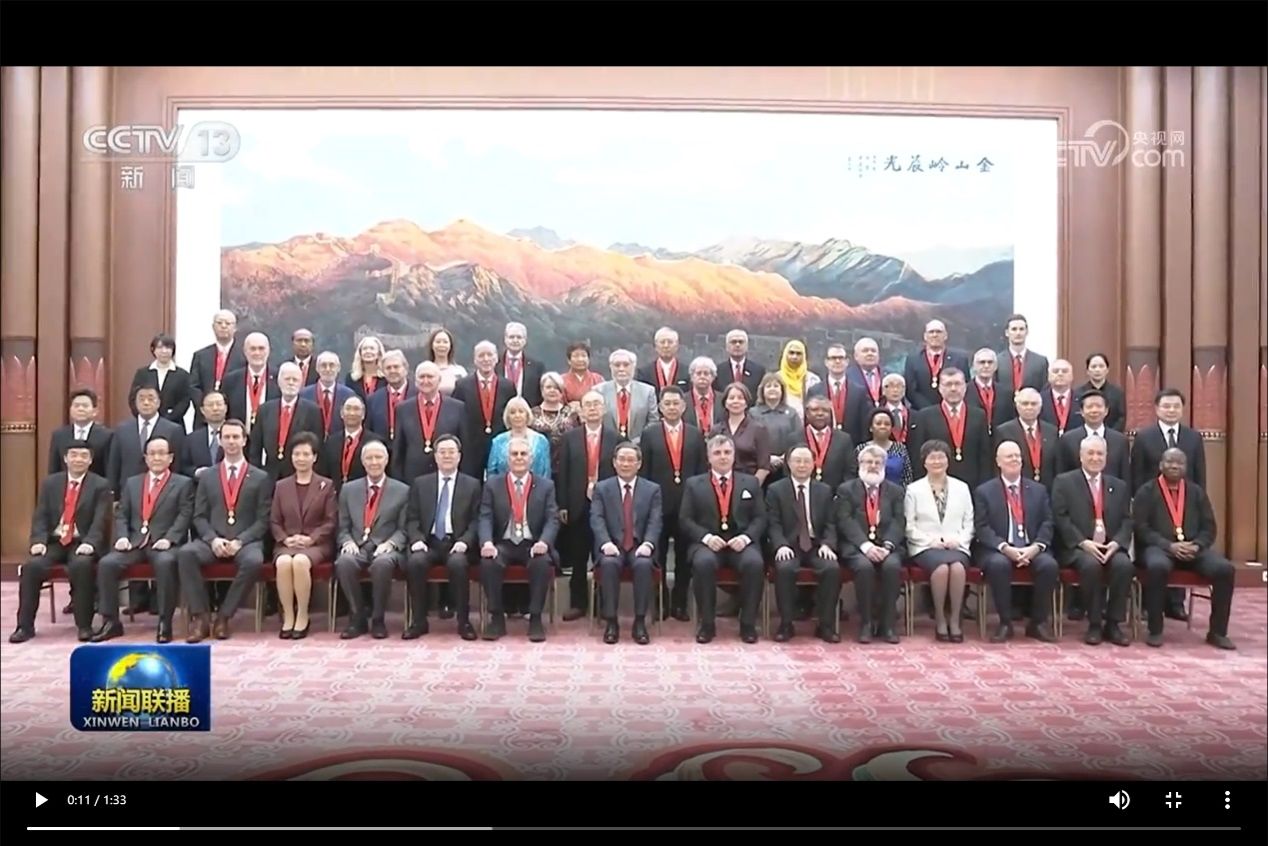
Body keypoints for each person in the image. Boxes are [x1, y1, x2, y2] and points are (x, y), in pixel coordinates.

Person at [178, 419, 275, 642]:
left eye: (236, 437)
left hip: (245, 541)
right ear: (220, 441)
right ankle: (201, 617)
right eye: (227, 437)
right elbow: (199, 515)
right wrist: (212, 539)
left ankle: (224, 616)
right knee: (186, 554)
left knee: (254, 561)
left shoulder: (260, 477)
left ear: (244, 440)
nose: (231, 442)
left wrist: (241, 541)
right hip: (212, 541)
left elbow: (263, 519)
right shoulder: (208, 476)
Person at [1132, 448, 1236, 649]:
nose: (1174, 466)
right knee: (1157, 567)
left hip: (1193, 549)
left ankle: (1217, 632)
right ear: (1161, 465)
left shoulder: (1196, 492)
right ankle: (1155, 630)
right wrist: (1169, 546)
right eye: (1170, 461)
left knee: (1225, 569)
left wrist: (1197, 545)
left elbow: (1209, 527)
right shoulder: (1146, 492)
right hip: (1159, 548)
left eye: (1179, 463)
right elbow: (1141, 528)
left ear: (1186, 467)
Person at [93, 436, 193, 644]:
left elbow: (185, 515)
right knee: (107, 564)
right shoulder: (133, 483)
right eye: (152, 453)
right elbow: (122, 513)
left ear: (170, 458)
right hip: (135, 542)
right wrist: (122, 537)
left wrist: (170, 539)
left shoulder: (183, 483)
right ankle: (111, 622)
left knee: (165, 563)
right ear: (146, 458)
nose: (156, 458)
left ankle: (165, 622)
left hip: (165, 543)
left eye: (161, 453)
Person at [10, 441, 111, 643]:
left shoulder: (100, 485)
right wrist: (38, 541)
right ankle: (24, 626)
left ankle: (84, 626)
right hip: (55, 542)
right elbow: (41, 516)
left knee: (82, 565)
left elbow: (101, 520)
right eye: (73, 455)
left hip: (82, 541)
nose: (78, 459)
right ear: (65, 458)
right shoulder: (51, 483)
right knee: (31, 567)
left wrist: (91, 543)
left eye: (83, 456)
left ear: (90, 460)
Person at [679, 434, 766, 644]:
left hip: (741, 542)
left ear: (734, 456)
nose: (723, 457)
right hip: (707, 543)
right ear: (709, 457)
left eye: (727, 452)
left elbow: (761, 518)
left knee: (754, 563)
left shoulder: (751, 483)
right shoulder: (694, 484)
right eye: (717, 453)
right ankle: (707, 624)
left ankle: (747, 624)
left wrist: (746, 538)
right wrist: (706, 537)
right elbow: (685, 519)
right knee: (703, 563)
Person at [1129, 388, 1207, 621]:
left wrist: (1198, 503)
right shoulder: (1144, 437)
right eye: (1166, 406)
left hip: (1185, 506)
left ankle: (1176, 604)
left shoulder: (1193, 438)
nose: (1171, 410)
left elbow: (1199, 474)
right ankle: (1148, 604)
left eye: (1176, 406)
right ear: (1157, 409)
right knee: (1156, 554)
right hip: (1153, 506)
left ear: (1182, 409)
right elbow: (1136, 473)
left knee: (1182, 548)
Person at [972, 441, 1059, 643]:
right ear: (998, 462)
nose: (1014, 460)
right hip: (998, 549)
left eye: (1017, 456)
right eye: (1009, 456)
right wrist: (1005, 547)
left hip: (1032, 547)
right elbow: (982, 527)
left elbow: (1048, 522)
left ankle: (1038, 623)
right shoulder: (984, 491)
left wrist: (1036, 547)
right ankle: (1005, 623)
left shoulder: (1038, 490)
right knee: (998, 565)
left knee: (1048, 565)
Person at [1051, 435, 1134, 646]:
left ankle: (1113, 623)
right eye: (1090, 453)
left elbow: (1127, 519)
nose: (1095, 458)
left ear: (1106, 457)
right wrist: (1083, 542)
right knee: (1091, 566)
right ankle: (1095, 623)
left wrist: (1117, 543)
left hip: (1110, 546)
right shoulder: (1064, 482)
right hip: (1078, 547)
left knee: (1124, 566)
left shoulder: (1119, 486)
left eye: (1100, 454)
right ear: (1081, 456)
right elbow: (1060, 518)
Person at [478, 436, 561, 642]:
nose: (519, 458)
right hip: (503, 543)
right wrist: (487, 542)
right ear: (507, 459)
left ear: (531, 459)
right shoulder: (493, 485)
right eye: (514, 454)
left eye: (523, 454)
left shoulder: (546, 486)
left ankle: (535, 618)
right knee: (488, 563)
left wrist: (544, 542)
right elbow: (485, 516)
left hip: (533, 544)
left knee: (541, 563)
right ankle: (497, 618)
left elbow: (552, 519)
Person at [403, 434, 482, 641]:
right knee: (416, 562)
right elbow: (412, 518)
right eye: (442, 452)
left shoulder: (472, 485)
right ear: (436, 457)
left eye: (451, 452)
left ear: (459, 456)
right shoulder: (421, 484)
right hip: (428, 542)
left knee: (458, 564)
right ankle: (419, 621)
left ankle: (463, 621)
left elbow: (476, 520)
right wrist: (417, 539)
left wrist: (465, 541)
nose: (447, 456)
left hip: (457, 542)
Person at [638, 386, 707, 619]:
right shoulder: (650, 434)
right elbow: (644, 472)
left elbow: (701, 472)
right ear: (660, 407)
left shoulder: (695, 434)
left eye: (676, 403)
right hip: (658, 505)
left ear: (684, 406)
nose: (671, 407)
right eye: (667, 404)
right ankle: (660, 603)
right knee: (657, 556)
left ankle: (680, 603)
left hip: (687, 506)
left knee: (683, 557)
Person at [333, 440, 409, 639]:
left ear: (386, 460)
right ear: (363, 462)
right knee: (344, 562)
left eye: (378, 457)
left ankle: (378, 619)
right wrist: (347, 541)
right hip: (357, 545)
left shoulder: (402, 490)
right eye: (369, 458)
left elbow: (404, 529)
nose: (374, 462)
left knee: (382, 564)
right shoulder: (348, 489)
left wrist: (391, 543)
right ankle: (357, 617)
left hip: (386, 546)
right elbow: (342, 525)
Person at [765, 445, 840, 643]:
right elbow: (773, 523)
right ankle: (786, 624)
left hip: (816, 545)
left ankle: (825, 625)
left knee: (831, 568)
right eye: (797, 461)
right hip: (789, 545)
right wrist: (780, 545)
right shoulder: (776, 490)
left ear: (814, 464)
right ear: (789, 463)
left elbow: (831, 523)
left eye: (806, 461)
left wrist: (828, 544)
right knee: (785, 569)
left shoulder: (824, 490)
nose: (802, 465)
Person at [590, 442, 662, 644]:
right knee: (609, 564)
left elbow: (655, 520)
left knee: (644, 565)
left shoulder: (652, 489)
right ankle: (611, 621)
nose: (626, 464)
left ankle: (640, 622)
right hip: (612, 545)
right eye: (621, 459)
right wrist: (605, 543)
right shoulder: (602, 488)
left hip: (640, 546)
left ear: (639, 464)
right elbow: (596, 518)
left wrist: (648, 544)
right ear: (614, 462)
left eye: (631, 460)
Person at [557, 391, 620, 620]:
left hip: (606, 505)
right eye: (588, 405)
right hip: (577, 503)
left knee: (603, 555)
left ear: (604, 409)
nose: (592, 408)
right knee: (578, 556)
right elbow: (563, 472)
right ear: (581, 411)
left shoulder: (616, 438)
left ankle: (603, 605)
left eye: (596, 404)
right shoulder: (570, 438)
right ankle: (578, 603)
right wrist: (563, 504)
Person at [905, 440, 975, 642]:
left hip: (956, 544)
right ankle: (940, 619)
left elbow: (969, 522)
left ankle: (955, 619)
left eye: (941, 457)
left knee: (958, 568)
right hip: (925, 545)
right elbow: (909, 525)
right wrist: (930, 540)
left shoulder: (962, 488)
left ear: (948, 460)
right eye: (932, 458)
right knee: (942, 569)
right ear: (924, 462)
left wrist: (958, 540)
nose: (937, 462)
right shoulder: (914, 490)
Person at [268, 432, 337, 639]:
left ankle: (303, 615)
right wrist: (285, 539)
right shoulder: (281, 486)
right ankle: (288, 615)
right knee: (283, 563)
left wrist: (311, 539)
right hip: (287, 542)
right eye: (297, 454)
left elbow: (330, 521)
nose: (301, 458)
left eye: (306, 454)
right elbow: (274, 520)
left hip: (316, 544)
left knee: (299, 561)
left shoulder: (326, 485)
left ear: (314, 457)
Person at [837, 445, 906, 643]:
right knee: (864, 567)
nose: (873, 466)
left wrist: (888, 546)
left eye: (878, 462)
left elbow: (899, 521)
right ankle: (866, 622)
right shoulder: (846, 490)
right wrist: (866, 546)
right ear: (860, 464)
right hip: (857, 546)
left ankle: (888, 624)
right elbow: (845, 520)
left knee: (892, 566)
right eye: (869, 462)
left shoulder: (895, 491)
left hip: (887, 546)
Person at [908, 367, 992, 490]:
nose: (953, 389)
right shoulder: (925, 416)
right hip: (937, 484)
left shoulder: (979, 415)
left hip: (973, 485)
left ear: (965, 387)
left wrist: (983, 487)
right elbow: (919, 455)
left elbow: (985, 455)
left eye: (957, 384)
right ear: (940, 389)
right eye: (948, 384)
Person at [245, 361, 323, 479]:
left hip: (298, 474)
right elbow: (255, 447)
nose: (291, 383)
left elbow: (316, 446)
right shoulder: (265, 410)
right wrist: (255, 474)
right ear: (279, 382)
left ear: (301, 383)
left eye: (295, 380)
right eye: (287, 379)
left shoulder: (313, 411)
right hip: (269, 474)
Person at [391, 362, 467, 482]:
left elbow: (464, 447)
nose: (425, 381)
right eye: (422, 377)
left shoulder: (457, 407)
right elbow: (398, 449)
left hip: (446, 476)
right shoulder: (403, 409)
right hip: (412, 477)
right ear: (416, 381)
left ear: (439, 380)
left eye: (430, 377)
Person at [452, 340, 517, 478]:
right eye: (481, 355)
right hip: (471, 447)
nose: (486, 359)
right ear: (475, 360)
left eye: (489, 355)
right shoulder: (462, 385)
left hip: (499, 446)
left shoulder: (507, 386)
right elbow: (457, 416)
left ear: (496, 358)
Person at [188, 309, 246, 428]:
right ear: (213, 327)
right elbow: (193, 386)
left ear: (235, 328)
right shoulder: (200, 355)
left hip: (233, 417)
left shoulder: (244, 356)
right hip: (204, 419)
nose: (223, 326)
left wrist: (225, 408)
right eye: (219, 323)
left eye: (228, 323)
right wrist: (206, 407)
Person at [994, 388, 1059, 489]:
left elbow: (1056, 464)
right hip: (1019, 488)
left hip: (1047, 488)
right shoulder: (1004, 431)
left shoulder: (1051, 431)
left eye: (1033, 404)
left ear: (1040, 407)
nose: (1029, 407)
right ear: (1017, 406)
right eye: (1025, 404)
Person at [805, 343, 868, 443]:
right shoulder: (815, 391)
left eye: (841, 358)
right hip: (823, 444)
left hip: (853, 444)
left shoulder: (859, 391)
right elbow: (808, 422)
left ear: (847, 362)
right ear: (826, 362)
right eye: (833, 358)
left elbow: (864, 424)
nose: (837, 361)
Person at [710, 382, 772, 484]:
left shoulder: (758, 429)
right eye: (731, 398)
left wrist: (752, 487)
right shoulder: (716, 430)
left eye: (740, 398)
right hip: (721, 485)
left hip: (749, 483)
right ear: (725, 403)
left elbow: (764, 467)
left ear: (746, 403)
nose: (736, 401)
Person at [904, 319, 971, 410]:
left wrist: (945, 408)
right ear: (925, 336)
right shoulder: (913, 360)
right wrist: (930, 410)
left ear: (945, 336)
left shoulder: (960, 360)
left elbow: (965, 386)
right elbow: (910, 390)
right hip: (921, 412)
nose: (935, 335)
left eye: (938, 332)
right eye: (931, 332)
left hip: (951, 410)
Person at [596, 349, 660, 443]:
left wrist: (639, 441)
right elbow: (595, 420)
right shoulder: (599, 391)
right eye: (617, 365)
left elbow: (653, 421)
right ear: (610, 367)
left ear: (633, 366)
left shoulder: (648, 391)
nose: (621, 369)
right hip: (608, 444)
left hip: (639, 445)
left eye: (626, 365)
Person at [48, 388, 113, 479]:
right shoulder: (59, 435)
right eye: (76, 406)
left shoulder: (107, 436)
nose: (80, 409)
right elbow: (54, 468)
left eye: (85, 406)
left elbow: (109, 469)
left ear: (95, 411)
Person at [128, 332, 192, 425]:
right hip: (146, 422)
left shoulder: (182, 375)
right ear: (153, 350)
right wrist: (144, 416)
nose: (164, 351)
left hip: (173, 424)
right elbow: (133, 398)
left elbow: (184, 401)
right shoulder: (142, 373)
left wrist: (168, 419)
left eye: (168, 348)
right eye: (160, 347)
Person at [486, 397, 552, 479]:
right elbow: (491, 473)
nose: (517, 415)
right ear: (508, 416)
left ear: (527, 414)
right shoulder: (498, 441)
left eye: (521, 411)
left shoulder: (541, 441)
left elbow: (546, 473)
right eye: (512, 412)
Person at [751, 373, 801, 476]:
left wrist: (785, 457)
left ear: (782, 390)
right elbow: (750, 439)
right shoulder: (753, 413)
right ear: (762, 390)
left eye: (776, 386)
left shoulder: (791, 413)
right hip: (759, 466)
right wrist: (768, 458)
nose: (772, 389)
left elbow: (798, 438)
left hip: (787, 466)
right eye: (768, 386)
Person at [298, 351, 355, 438]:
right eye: (323, 365)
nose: (328, 369)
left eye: (332, 365)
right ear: (317, 369)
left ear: (338, 368)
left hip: (338, 442)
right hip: (312, 442)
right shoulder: (304, 394)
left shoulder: (348, 395)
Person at [365, 350, 415, 442]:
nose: (392, 371)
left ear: (405, 369)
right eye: (388, 368)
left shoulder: (418, 395)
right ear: (383, 372)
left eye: (396, 367)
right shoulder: (373, 400)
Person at [855, 406, 912, 486]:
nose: (883, 426)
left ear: (891, 428)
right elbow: (855, 477)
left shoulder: (900, 448)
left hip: (896, 492)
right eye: (878, 423)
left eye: (887, 424)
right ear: (871, 428)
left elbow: (907, 477)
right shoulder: (861, 449)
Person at [500, 322, 547, 408]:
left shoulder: (537, 367)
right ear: (505, 339)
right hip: (500, 412)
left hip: (527, 412)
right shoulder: (494, 364)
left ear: (525, 340)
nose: (515, 340)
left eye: (519, 337)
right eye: (511, 337)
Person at [1076, 352, 1125, 431]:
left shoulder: (1117, 393)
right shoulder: (1078, 393)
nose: (1097, 370)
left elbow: (1121, 418)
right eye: (1093, 367)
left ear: (1107, 370)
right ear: (1087, 371)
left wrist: (1108, 434)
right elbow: (1077, 418)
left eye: (1101, 366)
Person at [636, 327, 690, 394]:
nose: (666, 346)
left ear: (677, 346)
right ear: (656, 346)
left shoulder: (687, 372)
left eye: (670, 342)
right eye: (662, 342)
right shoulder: (644, 373)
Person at [715, 329, 766, 400]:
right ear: (727, 347)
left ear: (747, 346)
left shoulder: (758, 371)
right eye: (733, 342)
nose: (737, 345)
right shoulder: (718, 371)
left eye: (741, 342)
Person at [774, 339, 819, 417]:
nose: (794, 357)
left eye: (798, 353)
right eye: (791, 353)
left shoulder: (813, 380)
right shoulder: (777, 378)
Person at [685, 356, 723, 430]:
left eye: (706, 373)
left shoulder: (723, 400)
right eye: (698, 373)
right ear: (692, 377)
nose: (702, 377)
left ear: (713, 377)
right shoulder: (683, 400)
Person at [426, 327, 468, 396]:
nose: (441, 345)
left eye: (445, 342)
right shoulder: (425, 370)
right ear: (432, 345)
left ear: (450, 346)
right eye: (438, 342)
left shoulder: (460, 371)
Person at [346, 335, 386, 402]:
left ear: (379, 353)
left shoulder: (386, 377)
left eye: (372, 348)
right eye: (365, 349)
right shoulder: (351, 377)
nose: (368, 351)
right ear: (360, 353)